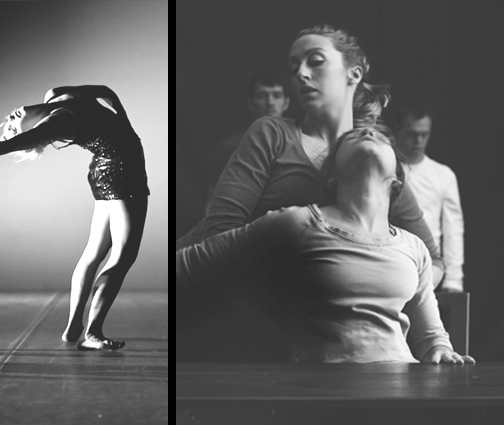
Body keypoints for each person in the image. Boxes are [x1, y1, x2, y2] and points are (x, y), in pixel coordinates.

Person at [175, 24, 444, 362]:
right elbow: (218, 234)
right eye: (294, 68)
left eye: (315, 61)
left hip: (302, 332)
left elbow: (432, 262)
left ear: (354, 73)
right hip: (205, 294)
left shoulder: (377, 157)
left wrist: (377, 294)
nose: (301, 74)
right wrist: (294, 316)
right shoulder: (271, 133)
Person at [177, 127, 474, 364]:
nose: (368, 133)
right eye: (353, 137)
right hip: (319, 392)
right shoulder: (297, 223)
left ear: (397, 182)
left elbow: (432, 338)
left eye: (381, 137)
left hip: (400, 387)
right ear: (332, 178)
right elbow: (195, 261)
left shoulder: (414, 247)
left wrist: (441, 352)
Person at [0, 85, 149, 351]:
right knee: (123, 256)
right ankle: (92, 332)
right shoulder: (54, 124)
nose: (11, 119)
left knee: (94, 253)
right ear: (31, 131)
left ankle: (74, 327)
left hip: (107, 168)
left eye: (11, 120)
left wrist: (124, 121)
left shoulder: (55, 94)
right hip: (122, 173)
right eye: (14, 126)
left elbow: (104, 91)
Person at [388, 100, 465, 293]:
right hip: (391, 265)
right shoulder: (386, 169)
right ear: (399, 130)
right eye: (412, 134)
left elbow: (453, 229)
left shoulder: (443, 175)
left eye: (424, 135)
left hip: (431, 270)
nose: (418, 141)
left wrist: (454, 280)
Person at [205, 71, 291, 206]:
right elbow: (213, 204)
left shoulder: (300, 146)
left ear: (286, 103)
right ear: (251, 103)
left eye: (277, 95)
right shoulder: (230, 148)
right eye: (262, 96)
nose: (270, 102)